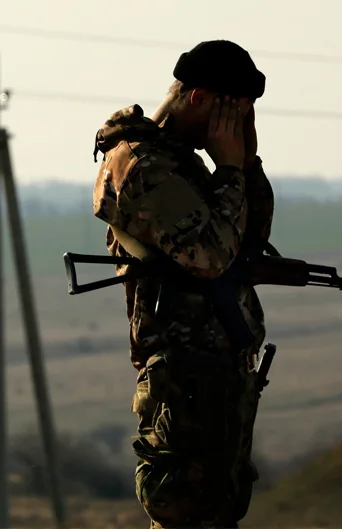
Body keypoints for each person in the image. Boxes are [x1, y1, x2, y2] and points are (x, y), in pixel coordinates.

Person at [91, 40, 275, 528]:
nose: (238, 126)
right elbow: (212, 256)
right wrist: (230, 169)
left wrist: (246, 163)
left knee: (219, 508)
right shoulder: (138, 165)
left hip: (215, 378)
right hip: (183, 382)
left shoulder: (184, 164)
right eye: (234, 113)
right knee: (187, 511)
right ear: (199, 100)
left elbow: (250, 236)